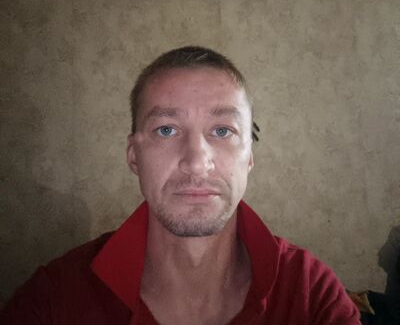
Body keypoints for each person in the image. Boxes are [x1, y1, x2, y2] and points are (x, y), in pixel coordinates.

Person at [0, 46, 360, 324]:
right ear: (134, 156)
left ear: (249, 157)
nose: (197, 161)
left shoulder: (312, 294)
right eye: (166, 130)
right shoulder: (55, 298)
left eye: (223, 131)